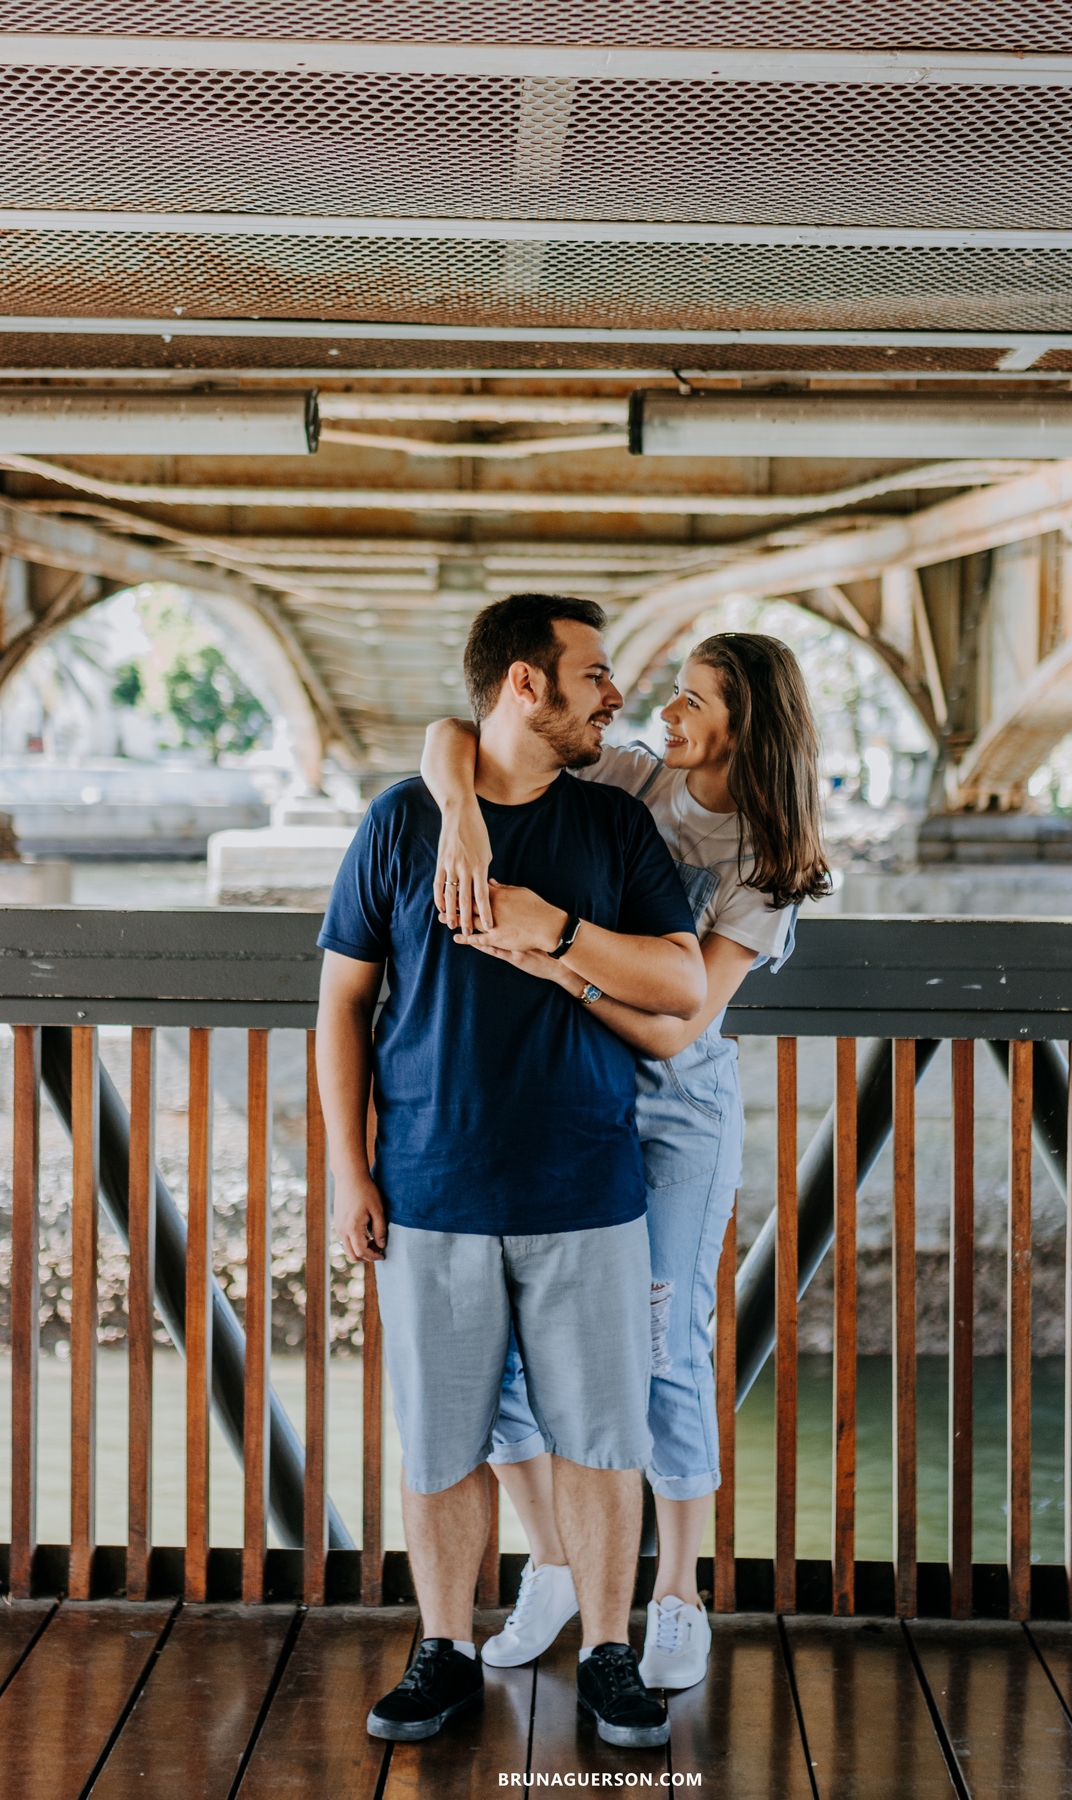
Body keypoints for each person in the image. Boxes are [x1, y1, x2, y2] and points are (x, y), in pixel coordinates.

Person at [316, 593, 706, 1747]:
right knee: (441, 1439)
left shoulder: (615, 828)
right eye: (594, 674)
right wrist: (350, 1170)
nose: (616, 695)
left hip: (589, 1187)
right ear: (525, 685)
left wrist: (552, 931)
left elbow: (681, 983)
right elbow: (340, 1005)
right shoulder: (400, 823)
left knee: (602, 1437)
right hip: (430, 1189)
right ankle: (439, 1647)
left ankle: (609, 1654)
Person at [424, 631, 830, 1689]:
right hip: (562, 1097)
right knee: (512, 1354)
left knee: (663, 1348)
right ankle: (552, 1563)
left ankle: (679, 1596)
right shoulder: (630, 774)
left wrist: (545, 949)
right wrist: (462, 817)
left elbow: (676, 1030)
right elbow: (452, 738)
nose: (666, 712)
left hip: (672, 1116)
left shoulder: (765, 862)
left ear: (749, 729)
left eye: (695, 702)